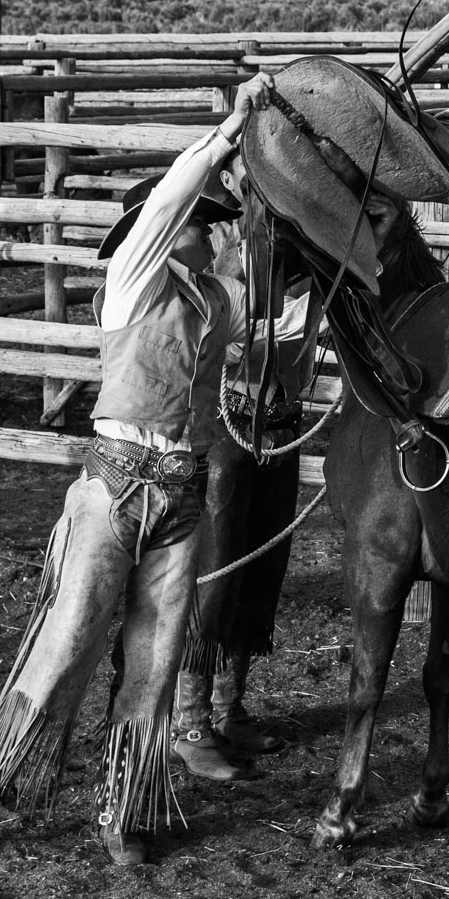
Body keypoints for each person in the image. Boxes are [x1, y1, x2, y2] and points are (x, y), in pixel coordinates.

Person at [0, 73, 272, 866]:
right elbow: (168, 198)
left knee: (156, 661)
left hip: (180, 495)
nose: (220, 234)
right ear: (175, 230)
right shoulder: (132, 280)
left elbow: (270, 285)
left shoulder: (216, 304)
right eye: (213, 223)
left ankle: (122, 810)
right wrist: (228, 133)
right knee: (68, 639)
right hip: (114, 489)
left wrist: (264, 174)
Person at [171, 269, 321, 781]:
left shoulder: (315, 277)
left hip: (282, 431)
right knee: (216, 571)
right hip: (229, 431)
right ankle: (190, 724)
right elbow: (228, 342)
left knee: (262, 571)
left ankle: (229, 708)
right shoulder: (236, 262)